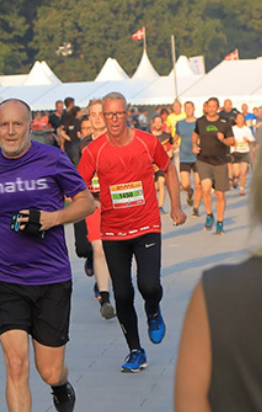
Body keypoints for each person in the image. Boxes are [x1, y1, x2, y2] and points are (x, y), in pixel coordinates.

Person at [0, 99, 94, 412]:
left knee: (49, 371)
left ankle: (60, 384)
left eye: (17, 124)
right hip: (7, 279)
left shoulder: (53, 158)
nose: (10, 131)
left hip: (51, 279)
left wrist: (52, 218)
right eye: (3, 124)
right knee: (16, 364)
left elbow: (86, 202)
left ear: (30, 127)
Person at [175, 76, 262, 412]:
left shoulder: (219, 295)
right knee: (208, 191)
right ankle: (211, 215)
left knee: (217, 193)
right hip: (204, 164)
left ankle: (218, 217)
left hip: (221, 164)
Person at [77, 92, 186, 373]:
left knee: (148, 286)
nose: (113, 119)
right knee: (123, 294)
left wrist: (176, 206)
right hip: (113, 231)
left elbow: (169, 169)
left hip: (147, 224)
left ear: (128, 113)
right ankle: (135, 350)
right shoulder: (94, 151)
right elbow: (77, 186)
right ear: (102, 116)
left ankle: (153, 308)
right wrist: (89, 197)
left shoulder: (147, 141)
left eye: (118, 113)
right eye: (107, 114)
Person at [77, 103, 116, 320]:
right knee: (98, 248)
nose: (97, 118)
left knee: (116, 249)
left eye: (101, 114)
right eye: (92, 115)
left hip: (117, 203)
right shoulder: (83, 146)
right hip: (94, 203)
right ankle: (105, 297)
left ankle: (121, 287)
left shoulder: (119, 141)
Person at [193, 97, 235, 235]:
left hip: (220, 162)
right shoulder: (200, 121)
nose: (211, 109)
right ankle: (210, 214)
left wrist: (223, 139)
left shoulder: (224, 122)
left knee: (220, 195)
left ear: (218, 107)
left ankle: (220, 222)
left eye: (214, 106)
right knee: (205, 187)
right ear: (206, 107)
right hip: (204, 160)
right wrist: (194, 145)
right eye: (209, 106)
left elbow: (232, 141)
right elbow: (195, 134)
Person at [175, 101, 202, 216]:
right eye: (186, 108)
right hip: (184, 157)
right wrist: (174, 142)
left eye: (190, 108)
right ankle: (190, 192)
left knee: (198, 184)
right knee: (185, 184)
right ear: (184, 109)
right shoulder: (180, 123)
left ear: (194, 108)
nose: (188, 110)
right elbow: (176, 136)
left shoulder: (199, 122)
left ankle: (195, 208)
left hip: (197, 157)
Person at [150, 115, 174, 214]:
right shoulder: (149, 136)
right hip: (151, 165)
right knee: (154, 187)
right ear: (153, 123)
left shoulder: (167, 136)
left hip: (162, 164)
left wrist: (170, 152)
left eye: (160, 122)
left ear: (162, 123)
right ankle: (153, 205)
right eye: (156, 122)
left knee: (161, 181)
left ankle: (160, 206)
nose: (158, 124)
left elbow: (172, 146)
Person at [230, 113, 254, 196]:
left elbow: (252, 141)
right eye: (238, 118)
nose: (240, 119)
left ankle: (241, 189)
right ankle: (235, 178)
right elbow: (229, 140)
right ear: (235, 120)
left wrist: (247, 140)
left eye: (242, 118)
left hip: (245, 152)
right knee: (237, 172)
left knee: (243, 172)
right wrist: (233, 143)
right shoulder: (232, 129)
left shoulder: (247, 129)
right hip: (235, 152)